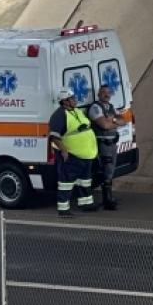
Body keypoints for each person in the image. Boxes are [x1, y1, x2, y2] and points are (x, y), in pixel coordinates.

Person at [48, 87, 98, 217]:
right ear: (65, 101)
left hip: (86, 154)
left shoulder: (77, 111)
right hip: (72, 155)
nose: (75, 100)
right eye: (72, 98)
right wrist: (64, 151)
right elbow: (54, 137)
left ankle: (86, 204)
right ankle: (63, 210)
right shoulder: (59, 115)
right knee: (66, 183)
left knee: (85, 181)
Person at [88, 83, 121, 211]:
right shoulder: (96, 107)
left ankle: (108, 198)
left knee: (110, 171)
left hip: (113, 143)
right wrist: (114, 122)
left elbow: (123, 120)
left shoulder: (111, 107)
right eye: (103, 92)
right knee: (105, 171)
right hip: (103, 145)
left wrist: (111, 120)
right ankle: (107, 201)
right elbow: (104, 126)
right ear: (98, 94)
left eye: (108, 92)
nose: (106, 95)